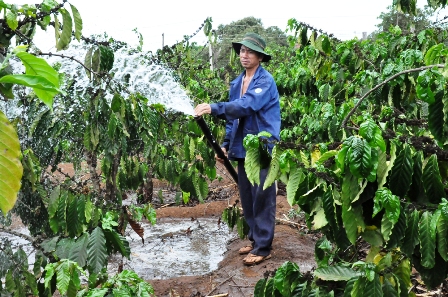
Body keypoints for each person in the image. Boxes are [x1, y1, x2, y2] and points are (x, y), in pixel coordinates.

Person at [194, 32, 281, 266]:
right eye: (242, 50)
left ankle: (263, 247)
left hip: (262, 147)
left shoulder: (265, 81)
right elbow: (234, 120)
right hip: (243, 147)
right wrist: (224, 145)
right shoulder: (236, 83)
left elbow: (247, 106)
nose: (245, 55)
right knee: (247, 195)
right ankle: (255, 240)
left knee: (262, 196)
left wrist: (214, 107)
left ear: (260, 57)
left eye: (250, 51)